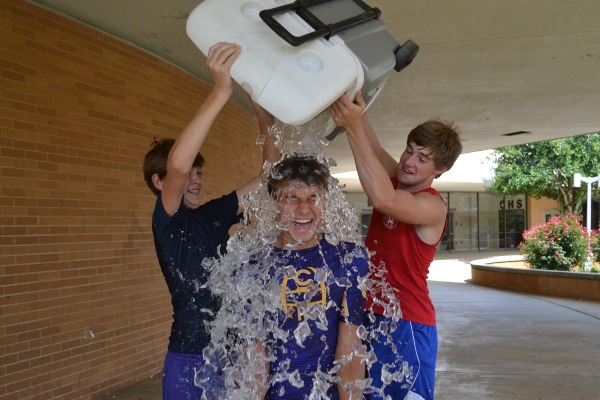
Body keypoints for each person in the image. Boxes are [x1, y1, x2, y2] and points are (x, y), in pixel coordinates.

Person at [142, 42, 278, 400]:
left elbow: (273, 179)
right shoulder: (167, 222)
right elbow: (177, 166)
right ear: (160, 184)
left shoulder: (214, 214)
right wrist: (220, 91)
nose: (196, 179)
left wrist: (264, 119)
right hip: (188, 358)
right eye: (191, 174)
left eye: (200, 172)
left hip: (230, 355)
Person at [330, 92, 463, 400]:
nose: (408, 161)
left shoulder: (432, 207)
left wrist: (352, 126)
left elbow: (383, 201)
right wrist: (353, 106)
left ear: (439, 170)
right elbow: (372, 147)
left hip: (407, 326)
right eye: (409, 150)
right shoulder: (397, 179)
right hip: (370, 316)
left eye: (422, 158)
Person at [256, 154, 368, 400]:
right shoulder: (255, 264)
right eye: (291, 198)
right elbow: (254, 356)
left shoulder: (348, 259)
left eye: (313, 198)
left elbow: (350, 349)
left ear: (325, 201)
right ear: (275, 202)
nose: (304, 209)